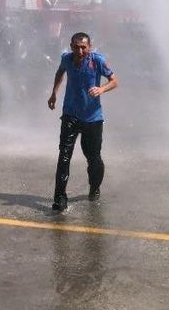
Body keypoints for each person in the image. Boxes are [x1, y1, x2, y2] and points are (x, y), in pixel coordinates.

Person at [47, 32, 118, 212]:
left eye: (83, 47)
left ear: (90, 47)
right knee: (64, 156)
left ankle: (94, 186)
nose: (80, 51)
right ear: (71, 47)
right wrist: (54, 93)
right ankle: (60, 199)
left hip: (93, 118)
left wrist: (101, 89)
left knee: (93, 159)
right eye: (76, 47)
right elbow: (60, 73)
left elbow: (114, 81)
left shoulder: (98, 61)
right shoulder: (67, 59)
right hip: (70, 115)